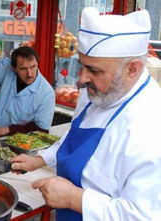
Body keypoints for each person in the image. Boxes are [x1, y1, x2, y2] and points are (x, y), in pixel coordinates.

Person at [10, 7, 161, 221]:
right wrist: (40, 159)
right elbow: (72, 139)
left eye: (95, 70)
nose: (82, 78)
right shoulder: (96, 92)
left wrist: (75, 199)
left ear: (132, 69)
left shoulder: (151, 126)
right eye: (82, 66)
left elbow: (145, 215)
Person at [0, 46, 55, 140]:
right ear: (14, 68)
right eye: (23, 69)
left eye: (33, 67)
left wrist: (8, 130)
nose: (30, 74)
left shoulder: (47, 93)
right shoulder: (8, 72)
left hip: (18, 146)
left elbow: (41, 131)